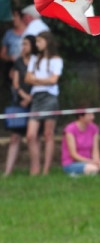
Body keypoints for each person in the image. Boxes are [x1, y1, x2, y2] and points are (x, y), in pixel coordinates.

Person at [25, 31, 63, 175]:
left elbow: (54, 80)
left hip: (50, 97)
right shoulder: (35, 59)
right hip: (37, 97)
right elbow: (28, 79)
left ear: (47, 41)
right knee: (31, 135)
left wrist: (37, 80)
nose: (37, 44)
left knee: (48, 134)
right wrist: (43, 81)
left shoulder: (56, 60)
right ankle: (35, 168)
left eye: (39, 41)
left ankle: (46, 170)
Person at [3, 35, 37, 176]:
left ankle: (34, 171)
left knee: (33, 137)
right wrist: (24, 96)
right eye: (23, 44)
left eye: (26, 44)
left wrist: (31, 98)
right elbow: (15, 83)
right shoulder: (18, 62)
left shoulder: (38, 62)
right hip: (20, 103)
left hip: (36, 103)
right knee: (15, 137)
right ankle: (7, 172)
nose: (24, 47)